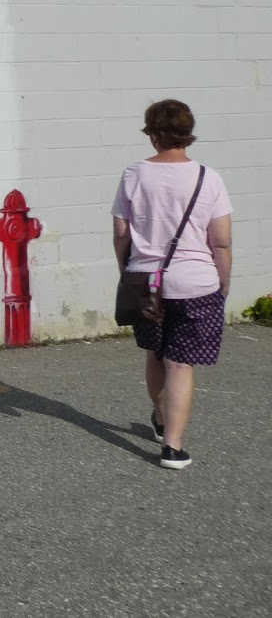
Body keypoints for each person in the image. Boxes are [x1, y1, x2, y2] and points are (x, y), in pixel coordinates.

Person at [111, 98, 232, 470]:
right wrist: (223, 283)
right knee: (181, 365)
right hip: (196, 283)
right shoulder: (209, 177)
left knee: (155, 354)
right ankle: (173, 449)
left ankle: (162, 419)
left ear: (152, 135)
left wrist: (127, 271)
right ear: (188, 134)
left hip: (146, 280)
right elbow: (221, 241)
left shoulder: (134, 174)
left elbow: (121, 233)